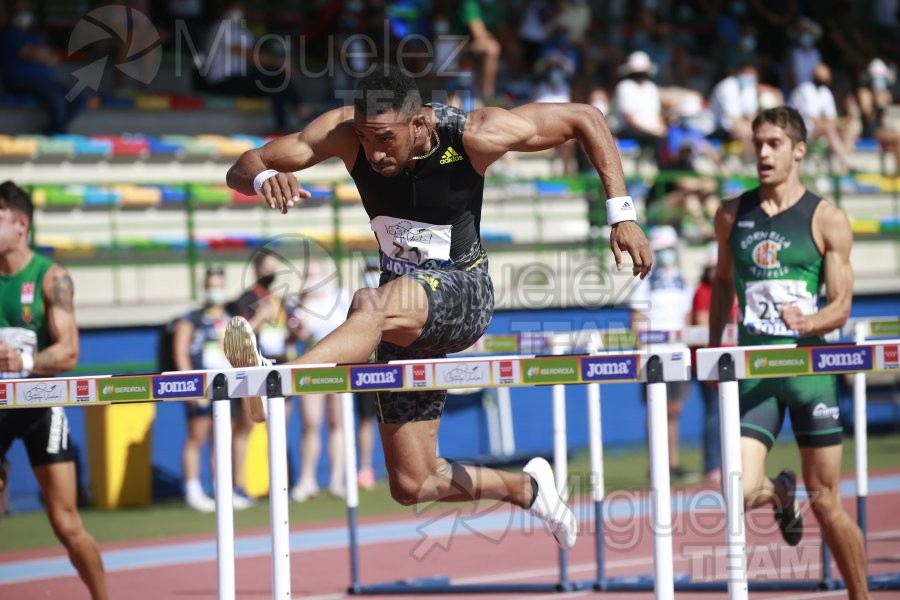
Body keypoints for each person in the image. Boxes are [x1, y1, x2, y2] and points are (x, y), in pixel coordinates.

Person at [223, 64, 651, 550]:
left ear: (420, 125)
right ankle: (527, 488)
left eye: (385, 137)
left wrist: (622, 214)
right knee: (414, 483)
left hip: (464, 293)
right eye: (364, 138)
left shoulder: (473, 134)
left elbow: (585, 117)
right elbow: (245, 163)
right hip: (400, 311)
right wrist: (263, 181)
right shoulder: (345, 133)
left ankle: (279, 382)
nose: (373, 151)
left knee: (368, 301)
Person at [709, 106, 868, 599]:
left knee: (826, 502)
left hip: (808, 371)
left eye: (774, 143)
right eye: (757, 143)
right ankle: (779, 491)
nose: (763, 153)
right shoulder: (732, 215)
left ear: (799, 150)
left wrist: (811, 320)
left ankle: (861, 596)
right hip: (756, 375)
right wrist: (717, 350)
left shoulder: (827, 219)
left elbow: (841, 304)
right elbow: (720, 283)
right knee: (737, 491)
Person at [0, 181, 108, 600]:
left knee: (65, 523)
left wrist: (23, 361)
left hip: (39, 404)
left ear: (20, 223)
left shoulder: (51, 277)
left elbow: (69, 351)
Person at [173, 265, 250, 512]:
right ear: (204, 288)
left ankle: (222, 489)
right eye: (210, 286)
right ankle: (193, 490)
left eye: (219, 285)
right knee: (197, 436)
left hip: (226, 387)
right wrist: (189, 386)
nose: (214, 290)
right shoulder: (191, 319)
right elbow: (181, 352)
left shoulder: (229, 317)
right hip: (199, 385)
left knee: (221, 437)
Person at [224, 250, 296, 507]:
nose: (272, 271)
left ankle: (278, 484)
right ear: (257, 269)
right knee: (244, 427)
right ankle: (238, 486)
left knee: (279, 430)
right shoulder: (246, 299)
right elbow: (237, 335)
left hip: (281, 368)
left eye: (275, 266)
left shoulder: (280, 299)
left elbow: (288, 333)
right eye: (268, 266)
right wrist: (260, 318)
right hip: (253, 370)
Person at [630, 225, 698, 483]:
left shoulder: (683, 281)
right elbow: (637, 318)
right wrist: (641, 353)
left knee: (675, 409)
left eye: (670, 249)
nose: (667, 254)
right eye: (663, 249)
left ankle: (672, 462)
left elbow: (688, 319)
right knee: (656, 409)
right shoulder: (644, 279)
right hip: (653, 355)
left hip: (678, 354)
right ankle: (656, 463)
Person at [289, 261, 349, 502]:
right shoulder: (297, 303)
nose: (313, 279)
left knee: (337, 422)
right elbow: (300, 334)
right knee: (311, 423)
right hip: (311, 368)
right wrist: (304, 300)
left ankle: (337, 480)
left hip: (339, 366)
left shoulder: (341, 297)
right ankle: (307, 480)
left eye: (316, 274)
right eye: (308, 275)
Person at [0, 0, 90, 134]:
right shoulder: (9, 34)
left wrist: (40, 54)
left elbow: (54, 59)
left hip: (45, 81)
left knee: (80, 96)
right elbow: (33, 53)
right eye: (18, 11)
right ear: (11, 13)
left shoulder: (36, 35)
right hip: (21, 81)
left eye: (25, 10)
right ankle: (59, 132)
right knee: (56, 98)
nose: (23, 14)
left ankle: (54, 129)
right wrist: (41, 54)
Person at [689, 241, 738, 486]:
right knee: (714, 414)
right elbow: (701, 325)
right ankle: (713, 465)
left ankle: (734, 461)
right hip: (709, 360)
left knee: (735, 413)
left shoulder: (737, 288)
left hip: (735, 360)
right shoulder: (703, 291)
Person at [789, 63, 854, 175]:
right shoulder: (805, 90)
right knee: (830, 129)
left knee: (847, 131)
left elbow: (832, 118)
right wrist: (835, 123)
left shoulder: (825, 92)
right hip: (801, 131)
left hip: (817, 130)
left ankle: (842, 167)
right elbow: (814, 120)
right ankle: (846, 164)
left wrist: (840, 123)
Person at [355, 259, 381, 491]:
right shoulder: (358, 303)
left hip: (392, 367)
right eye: (369, 272)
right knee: (366, 419)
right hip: (365, 369)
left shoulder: (394, 301)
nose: (372, 277)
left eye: (376, 272)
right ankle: (365, 468)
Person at [857, 58, 899, 174]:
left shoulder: (885, 94)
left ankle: (893, 171)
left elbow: (883, 118)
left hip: (879, 129)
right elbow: (868, 116)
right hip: (869, 130)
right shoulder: (864, 93)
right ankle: (898, 172)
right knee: (897, 138)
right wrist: (875, 101)